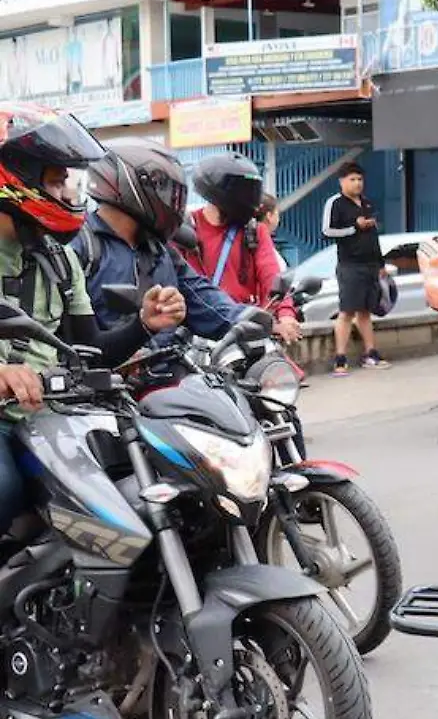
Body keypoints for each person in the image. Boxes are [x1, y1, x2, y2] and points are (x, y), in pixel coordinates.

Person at [0, 105, 168, 529]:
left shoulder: (59, 261)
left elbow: (89, 352)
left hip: (47, 417)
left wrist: (144, 325)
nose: (68, 195)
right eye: (56, 182)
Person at [74, 140, 252, 348]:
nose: (173, 201)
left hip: (170, 371)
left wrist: (245, 319)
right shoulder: (80, 245)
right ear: (126, 183)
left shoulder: (158, 249)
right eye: (162, 188)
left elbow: (200, 295)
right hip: (107, 375)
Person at [180, 151, 300, 343]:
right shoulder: (184, 229)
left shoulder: (254, 231)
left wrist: (286, 314)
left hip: (247, 330)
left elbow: (272, 275)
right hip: (197, 336)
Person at [321, 161, 389, 376]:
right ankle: (340, 358)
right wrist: (353, 228)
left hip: (370, 265)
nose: (357, 183)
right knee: (347, 311)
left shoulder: (367, 203)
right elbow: (327, 232)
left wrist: (380, 264)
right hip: (350, 265)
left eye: (360, 179)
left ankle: (371, 353)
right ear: (342, 181)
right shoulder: (335, 203)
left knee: (365, 312)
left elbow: (373, 236)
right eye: (352, 179)